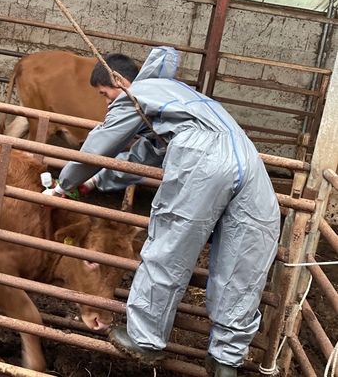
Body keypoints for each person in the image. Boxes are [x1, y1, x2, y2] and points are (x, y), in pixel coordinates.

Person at [43, 47, 280, 377]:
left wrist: (65, 182)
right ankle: (227, 359)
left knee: (170, 243)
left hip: (202, 157)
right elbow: (142, 156)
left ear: (119, 81)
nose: (107, 104)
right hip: (250, 162)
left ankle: (145, 338)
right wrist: (95, 182)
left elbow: (101, 143)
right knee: (242, 260)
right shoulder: (178, 97)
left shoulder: (135, 93)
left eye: (105, 95)